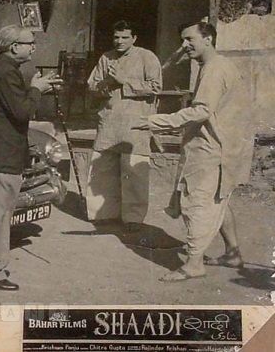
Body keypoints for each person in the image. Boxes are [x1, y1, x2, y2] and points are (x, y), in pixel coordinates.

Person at [134, 21, 253, 282]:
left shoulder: (214, 69)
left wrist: (156, 121)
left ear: (208, 39)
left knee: (196, 203)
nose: (184, 45)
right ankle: (233, 253)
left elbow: (201, 110)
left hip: (211, 149)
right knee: (217, 202)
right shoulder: (217, 66)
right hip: (222, 146)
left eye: (190, 39)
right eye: (182, 40)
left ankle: (193, 264)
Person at [0, 24, 62, 291]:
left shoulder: (4, 70)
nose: (33, 47)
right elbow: (22, 111)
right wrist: (37, 88)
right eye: (30, 43)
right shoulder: (6, 72)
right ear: (15, 46)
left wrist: (36, 88)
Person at [85, 20, 162, 231]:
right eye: (116, 37)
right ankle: (103, 213)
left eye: (125, 37)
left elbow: (155, 87)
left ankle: (133, 218)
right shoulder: (106, 58)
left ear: (134, 38)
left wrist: (123, 80)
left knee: (134, 170)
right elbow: (93, 86)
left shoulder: (146, 57)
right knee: (102, 167)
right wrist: (107, 83)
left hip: (135, 120)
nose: (119, 41)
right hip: (110, 119)